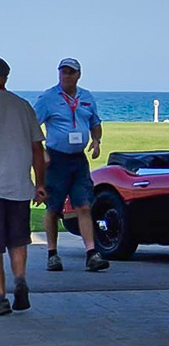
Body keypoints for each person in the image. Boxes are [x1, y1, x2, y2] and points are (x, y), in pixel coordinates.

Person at [34, 58, 108, 272]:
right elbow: (32, 126)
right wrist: (43, 153)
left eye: (70, 72)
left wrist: (96, 141)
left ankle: (91, 253)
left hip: (78, 160)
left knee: (84, 205)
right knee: (53, 207)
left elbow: (95, 122)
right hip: (56, 160)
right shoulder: (48, 98)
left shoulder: (86, 97)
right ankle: (52, 254)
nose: (66, 76)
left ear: (78, 75)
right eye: (63, 72)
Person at [0, 58, 47, 314]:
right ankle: (20, 280)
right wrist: (40, 183)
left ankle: (0, 297)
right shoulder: (23, 106)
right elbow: (37, 149)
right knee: (18, 241)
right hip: (19, 186)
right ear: (6, 77)